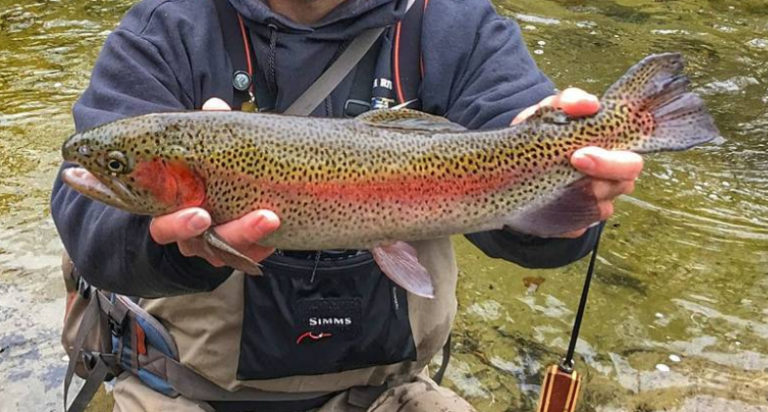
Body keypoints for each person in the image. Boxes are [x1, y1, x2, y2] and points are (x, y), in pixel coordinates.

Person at [51, 0, 643, 410]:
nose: (112, 173)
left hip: (390, 395)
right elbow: (88, 223)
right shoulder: (167, 27)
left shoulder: (456, 26)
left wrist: (570, 188)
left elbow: (513, 151)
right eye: (120, 169)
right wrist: (181, 251)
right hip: (185, 391)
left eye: (120, 166)